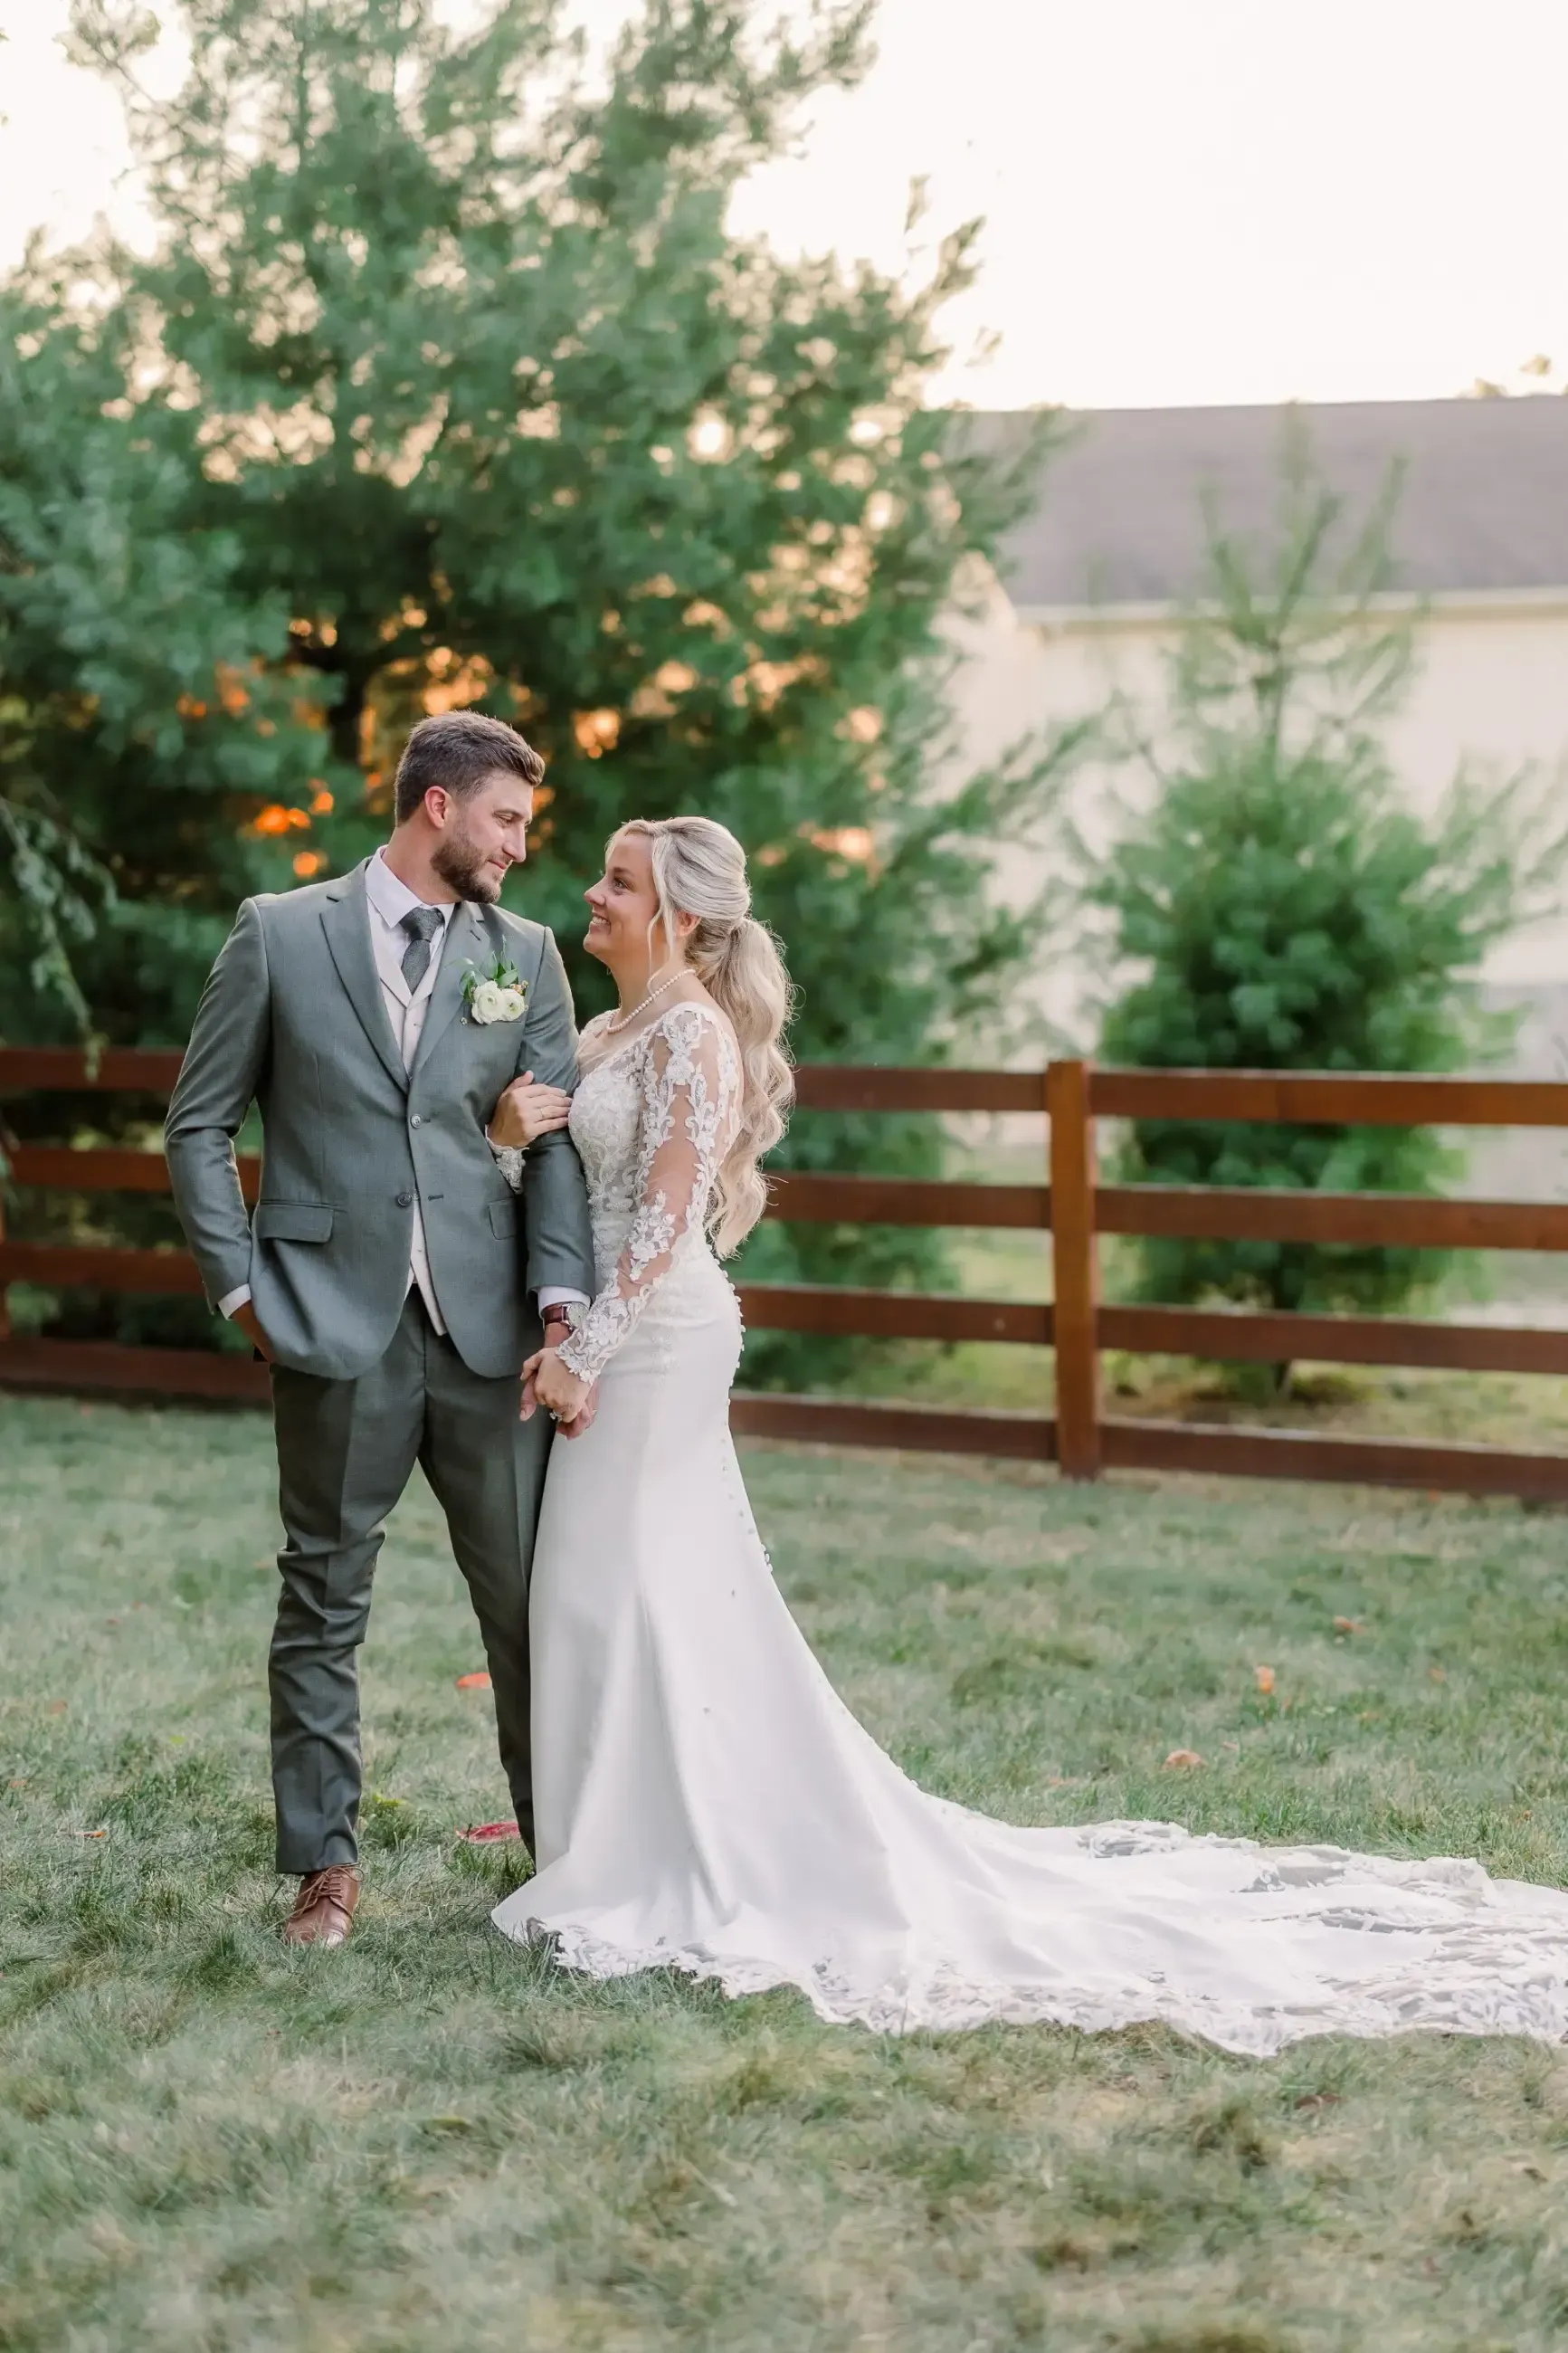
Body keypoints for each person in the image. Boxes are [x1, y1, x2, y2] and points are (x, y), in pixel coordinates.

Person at [487, 814, 1568, 2053]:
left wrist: (587, 1351)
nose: (594, 894)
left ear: (675, 911)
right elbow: (578, 1194)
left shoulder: (690, 1037)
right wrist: (513, 1146)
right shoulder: (608, 1032)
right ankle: (626, 1846)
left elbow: (668, 1218)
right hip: (617, 1341)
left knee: (619, 1585)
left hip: (659, 1342)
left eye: (617, 881)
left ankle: (675, 1861)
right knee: (607, 1593)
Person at [166, 710, 596, 1948]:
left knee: (527, 1605)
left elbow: (552, 1145)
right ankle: (325, 1868)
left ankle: (555, 1856)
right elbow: (199, 1126)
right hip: (326, 1321)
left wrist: (562, 1306)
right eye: (507, 818)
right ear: (440, 806)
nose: (519, 846)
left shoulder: (528, 951)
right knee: (322, 1601)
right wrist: (240, 1290)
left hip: (491, 1332)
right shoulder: (280, 935)